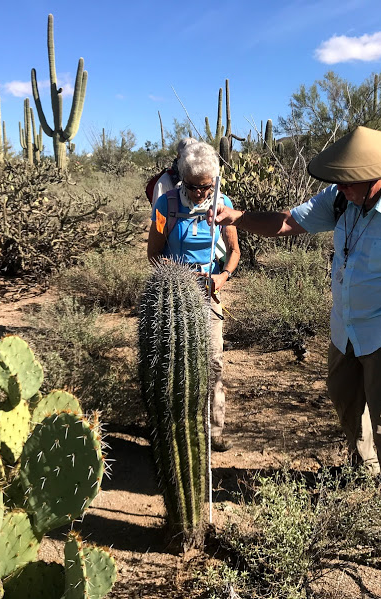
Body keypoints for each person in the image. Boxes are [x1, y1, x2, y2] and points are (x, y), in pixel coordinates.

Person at [211, 127, 381, 499]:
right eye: (338, 183)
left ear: (375, 178)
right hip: (346, 328)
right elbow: (288, 222)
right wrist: (237, 217)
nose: (341, 190)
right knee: (346, 401)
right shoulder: (341, 197)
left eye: (349, 184)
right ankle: (363, 470)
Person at [147, 141, 241, 452]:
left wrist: (222, 277)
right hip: (173, 295)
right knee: (173, 363)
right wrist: (177, 279)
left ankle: (214, 430)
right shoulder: (166, 206)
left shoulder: (222, 203)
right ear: (182, 179)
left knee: (213, 361)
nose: (200, 194)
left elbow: (234, 252)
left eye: (206, 187)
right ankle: (176, 430)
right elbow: (154, 253)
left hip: (209, 293)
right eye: (193, 187)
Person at [150, 137, 198, 204]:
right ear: (178, 156)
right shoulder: (164, 182)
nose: (192, 160)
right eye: (187, 156)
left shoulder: (206, 181)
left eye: (197, 156)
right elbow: (158, 212)